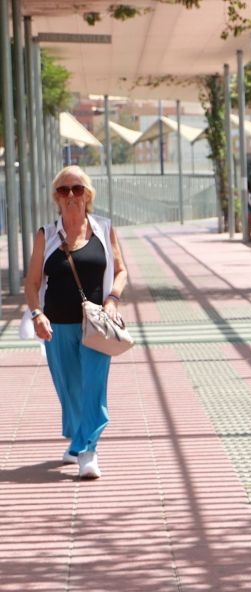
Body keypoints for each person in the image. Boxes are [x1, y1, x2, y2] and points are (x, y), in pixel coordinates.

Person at [20, 165, 128, 480]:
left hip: (96, 324)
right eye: (64, 190)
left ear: (87, 194)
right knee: (70, 389)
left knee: (93, 387)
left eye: (77, 189)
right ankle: (77, 439)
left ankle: (87, 450)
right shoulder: (47, 234)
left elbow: (120, 270)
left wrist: (112, 300)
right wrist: (37, 314)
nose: (70, 195)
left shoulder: (104, 229)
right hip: (58, 325)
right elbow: (31, 281)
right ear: (56, 196)